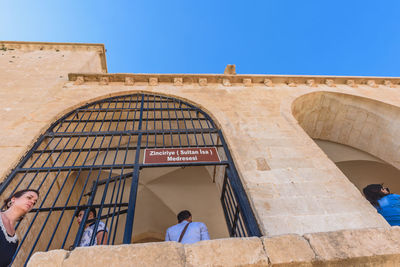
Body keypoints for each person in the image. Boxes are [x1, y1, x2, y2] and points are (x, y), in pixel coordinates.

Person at [0, 189, 39, 267]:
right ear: (13, 199)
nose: (32, 202)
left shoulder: (14, 241)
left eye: (34, 202)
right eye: (29, 198)